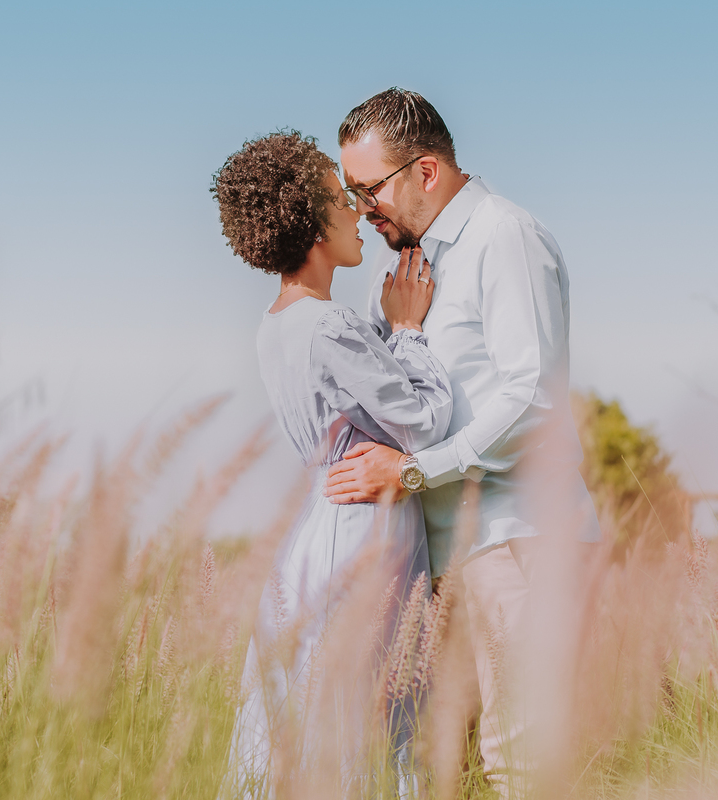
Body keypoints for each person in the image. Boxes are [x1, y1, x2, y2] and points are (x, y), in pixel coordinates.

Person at [326, 88, 602, 795]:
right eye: (351, 193)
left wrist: (413, 473)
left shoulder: (505, 237)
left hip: (515, 544)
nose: (361, 208)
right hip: (436, 559)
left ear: (426, 171)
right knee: (447, 770)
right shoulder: (400, 269)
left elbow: (531, 399)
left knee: (522, 769)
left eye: (369, 189)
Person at [211, 130, 453, 797]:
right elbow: (422, 421)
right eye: (342, 199)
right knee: (367, 718)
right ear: (314, 224)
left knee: (314, 715)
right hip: (363, 532)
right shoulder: (327, 325)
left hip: (319, 529)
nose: (357, 210)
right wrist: (408, 330)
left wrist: (383, 333)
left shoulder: (278, 324)